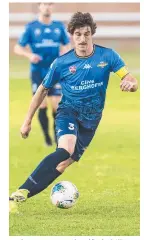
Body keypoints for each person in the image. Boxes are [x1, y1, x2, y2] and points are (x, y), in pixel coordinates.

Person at [9, 12, 138, 212]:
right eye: (78, 34)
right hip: (68, 112)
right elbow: (42, 90)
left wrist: (130, 84)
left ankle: (19, 197)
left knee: (62, 165)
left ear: (92, 34)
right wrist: (27, 120)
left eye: (86, 34)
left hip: (91, 120)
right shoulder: (61, 63)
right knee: (64, 150)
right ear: (71, 35)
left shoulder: (108, 56)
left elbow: (130, 78)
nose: (82, 39)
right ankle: (20, 192)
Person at [14, 3, 71, 145]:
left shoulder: (58, 27)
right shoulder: (31, 27)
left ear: (53, 7)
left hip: (55, 71)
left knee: (57, 106)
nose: (48, 7)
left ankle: (58, 138)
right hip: (38, 71)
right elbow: (17, 47)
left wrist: (64, 53)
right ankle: (47, 137)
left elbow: (67, 44)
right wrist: (29, 55)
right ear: (39, 6)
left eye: (51, 4)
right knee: (42, 105)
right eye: (45, 4)